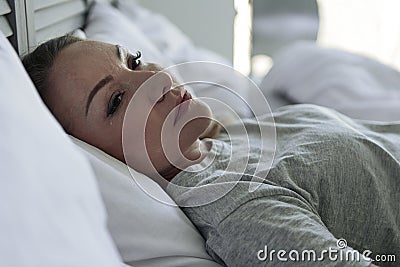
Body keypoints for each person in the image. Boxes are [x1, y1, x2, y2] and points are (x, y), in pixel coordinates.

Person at [22, 35, 399, 267]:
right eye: (116, 101)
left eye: (133, 60)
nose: (155, 77)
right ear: (97, 156)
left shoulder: (223, 141)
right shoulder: (237, 208)